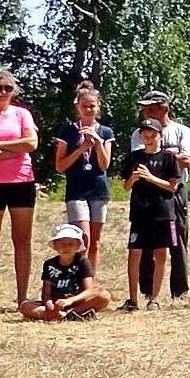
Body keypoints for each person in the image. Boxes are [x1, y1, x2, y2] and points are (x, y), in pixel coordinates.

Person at [132, 90, 190, 300]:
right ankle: (148, 290)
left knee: (177, 239)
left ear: (164, 109)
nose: (146, 114)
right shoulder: (138, 133)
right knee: (145, 243)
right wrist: (172, 154)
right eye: (144, 110)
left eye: (151, 109)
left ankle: (180, 290)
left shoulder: (181, 131)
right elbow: (140, 160)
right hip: (146, 194)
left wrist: (160, 157)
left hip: (174, 192)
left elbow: (187, 160)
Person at [119, 117, 181, 312]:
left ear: (160, 135)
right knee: (134, 253)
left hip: (162, 212)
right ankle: (132, 299)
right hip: (139, 212)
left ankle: (154, 298)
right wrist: (133, 178)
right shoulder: (134, 157)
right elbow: (126, 186)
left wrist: (151, 178)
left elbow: (173, 187)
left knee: (160, 254)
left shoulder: (168, 158)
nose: (148, 137)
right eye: (145, 134)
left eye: (152, 134)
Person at [53, 80, 115, 272]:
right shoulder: (68, 131)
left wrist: (97, 143)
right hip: (76, 191)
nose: (88, 109)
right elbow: (60, 166)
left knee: (95, 242)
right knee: (83, 241)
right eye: (84, 106)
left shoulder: (105, 132)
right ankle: (78, 280)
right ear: (77, 107)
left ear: (98, 107)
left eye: (92, 106)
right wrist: (81, 149)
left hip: (99, 191)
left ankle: (90, 282)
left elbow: (104, 165)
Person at [0, 66, 39, 305]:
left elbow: (32, 144)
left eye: (8, 87)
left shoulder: (22, 114)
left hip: (22, 182)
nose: (3, 92)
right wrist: (16, 149)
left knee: (22, 240)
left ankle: (22, 298)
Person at [19, 223, 111, 321]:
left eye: (70, 244)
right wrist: (49, 304)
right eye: (62, 244)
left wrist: (70, 301)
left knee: (104, 296)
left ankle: (69, 314)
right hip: (56, 304)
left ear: (78, 246)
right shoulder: (49, 264)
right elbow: (46, 292)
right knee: (25, 306)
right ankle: (58, 314)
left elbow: (88, 290)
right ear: (55, 245)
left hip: (77, 302)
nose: (66, 247)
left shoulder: (82, 262)